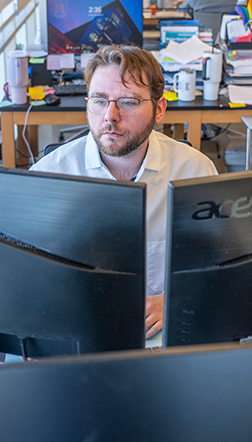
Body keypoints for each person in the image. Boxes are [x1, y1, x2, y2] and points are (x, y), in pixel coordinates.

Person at [30, 45, 217, 339]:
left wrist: (173, 300)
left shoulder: (195, 172)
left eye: (128, 102)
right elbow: (28, 274)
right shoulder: (48, 177)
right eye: (99, 101)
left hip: (162, 330)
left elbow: (215, 265)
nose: (110, 116)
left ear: (159, 110)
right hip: (76, 329)